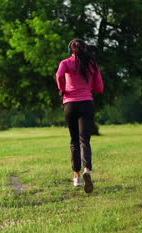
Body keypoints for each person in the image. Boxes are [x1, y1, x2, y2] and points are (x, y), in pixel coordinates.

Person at [55, 39, 104, 193]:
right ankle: (86, 171)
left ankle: (76, 177)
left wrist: (63, 90)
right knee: (85, 140)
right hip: (87, 103)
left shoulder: (65, 63)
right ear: (85, 49)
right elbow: (100, 87)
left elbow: (59, 76)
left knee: (74, 140)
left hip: (70, 104)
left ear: (70, 50)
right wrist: (89, 87)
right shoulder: (92, 64)